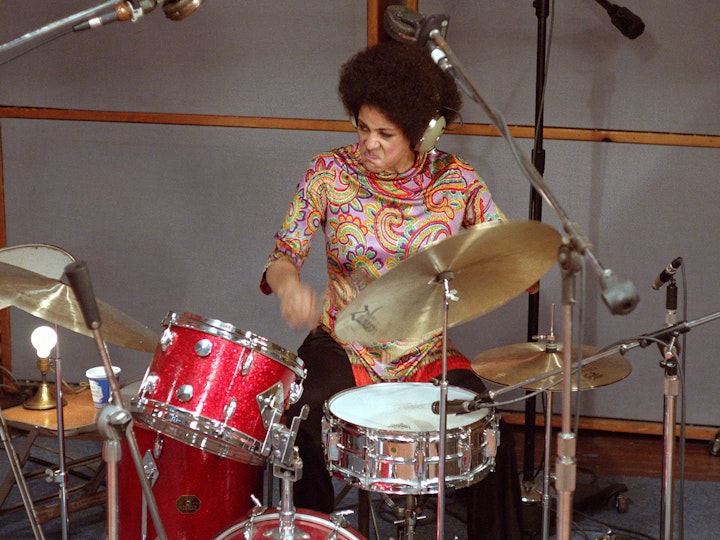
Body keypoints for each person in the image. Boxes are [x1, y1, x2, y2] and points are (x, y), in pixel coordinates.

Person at [260, 41, 524, 539]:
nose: (368, 143)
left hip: (426, 347)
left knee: (493, 440)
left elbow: (504, 251)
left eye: (385, 133)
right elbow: (282, 256)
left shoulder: (458, 181)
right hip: (343, 339)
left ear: (422, 133)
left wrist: (522, 267)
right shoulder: (328, 173)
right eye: (362, 127)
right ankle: (315, 531)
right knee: (303, 421)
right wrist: (289, 284)